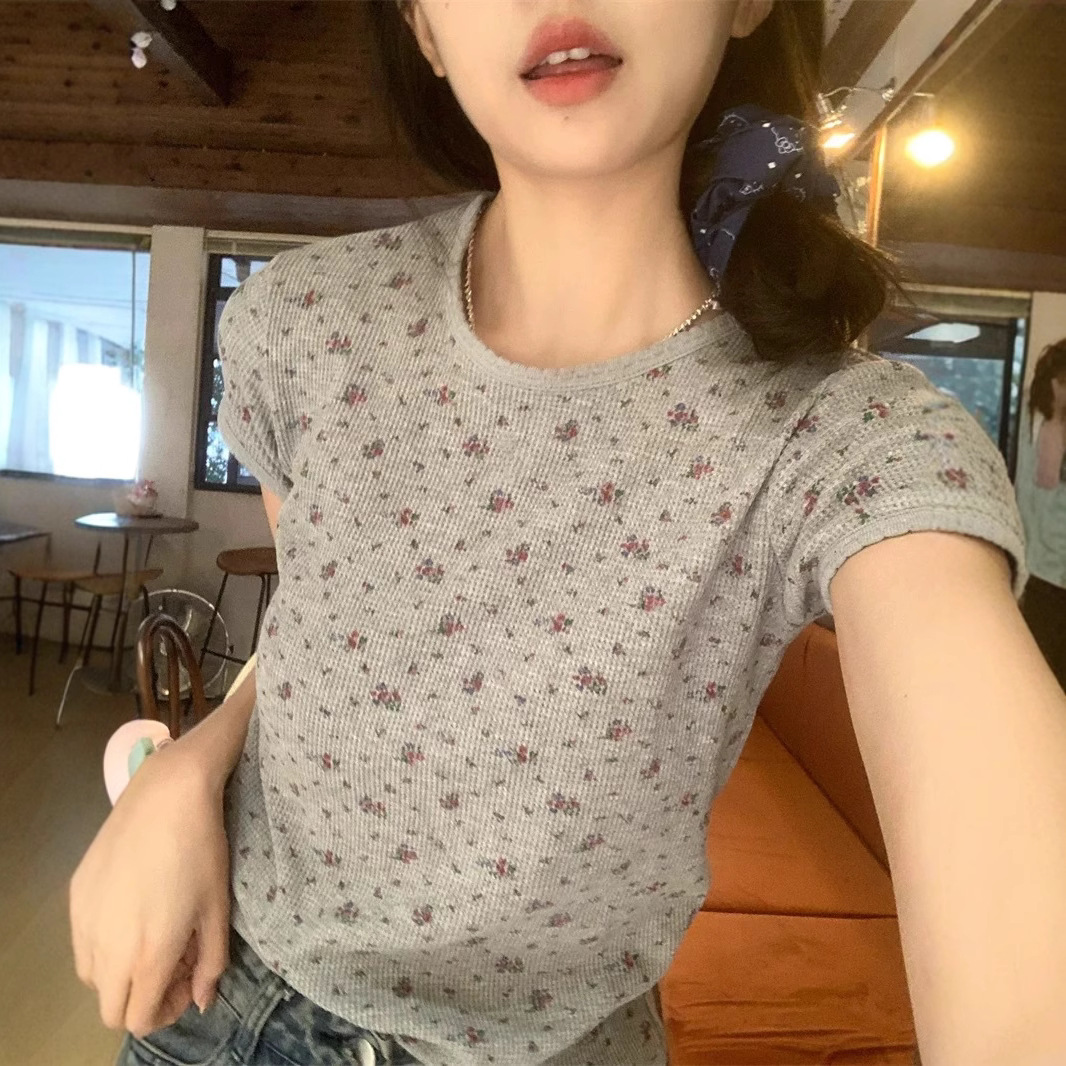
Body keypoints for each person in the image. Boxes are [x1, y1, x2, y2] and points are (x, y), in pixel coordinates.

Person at [69, 3, 1066, 1065]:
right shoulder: (306, 324)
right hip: (223, 1003)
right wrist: (188, 772)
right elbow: (314, 633)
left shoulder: (846, 440)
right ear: (423, 28)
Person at [1017, 338, 1066, 688]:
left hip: (1045, 571)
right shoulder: (1037, 421)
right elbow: (1044, 482)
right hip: (1041, 575)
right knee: (1041, 674)